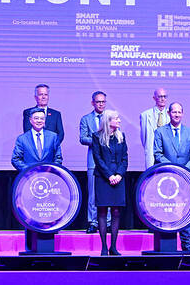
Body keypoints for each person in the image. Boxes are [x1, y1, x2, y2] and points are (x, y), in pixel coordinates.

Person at [153, 102, 190, 252]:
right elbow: (158, 153)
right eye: (174, 112)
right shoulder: (160, 132)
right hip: (166, 179)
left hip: (185, 179)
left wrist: (183, 170)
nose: (177, 115)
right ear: (169, 113)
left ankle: (187, 246)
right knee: (166, 211)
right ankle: (165, 244)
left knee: (184, 211)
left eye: (179, 112)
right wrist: (173, 169)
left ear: (183, 114)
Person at [91, 110, 127, 256]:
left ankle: (113, 246)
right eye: (116, 118)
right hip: (103, 177)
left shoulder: (121, 136)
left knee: (116, 211)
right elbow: (97, 159)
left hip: (118, 177)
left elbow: (125, 157)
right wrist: (109, 175)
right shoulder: (97, 137)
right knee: (102, 211)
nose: (119, 120)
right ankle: (104, 247)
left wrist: (119, 174)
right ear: (108, 121)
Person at [79, 91, 108, 234]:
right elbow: (83, 138)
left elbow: (117, 136)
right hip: (93, 160)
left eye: (103, 102)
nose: (101, 104)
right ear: (93, 103)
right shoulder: (86, 119)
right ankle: (92, 222)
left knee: (107, 191)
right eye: (98, 102)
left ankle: (107, 222)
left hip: (108, 161)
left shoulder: (110, 118)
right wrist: (98, 141)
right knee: (92, 192)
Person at [139, 88, 169, 169]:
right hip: (152, 153)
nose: (163, 99)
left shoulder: (171, 114)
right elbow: (144, 138)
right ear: (154, 98)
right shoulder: (145, 115)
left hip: (167, 155)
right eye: (160, 96)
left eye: (164, 96)